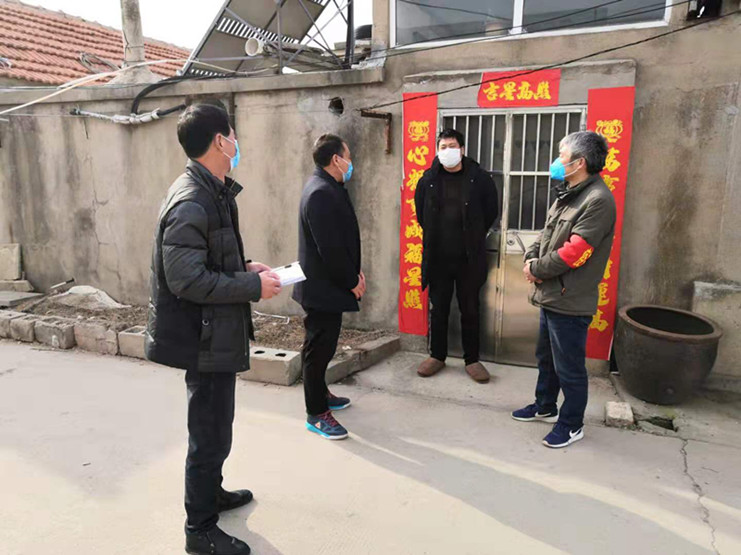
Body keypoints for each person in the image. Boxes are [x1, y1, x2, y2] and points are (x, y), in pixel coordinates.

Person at [145, 102, 282, 555]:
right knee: (208, 433)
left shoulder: (214, 191)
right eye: (233, 135)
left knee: (217, 426)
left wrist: (246, 268)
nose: (237, 142)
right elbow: (185, 278)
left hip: (215, 332)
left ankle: (212, 494)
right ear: (220, 141)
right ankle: (199, 529)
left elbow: (209, 258)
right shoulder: (192, 200)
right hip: (201, 338)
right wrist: (251, 286)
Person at [512, 130, 616, 449]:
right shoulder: (569, 193)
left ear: (579, 162)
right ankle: (545, 405)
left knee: (569, 367)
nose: (557, 161)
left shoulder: (598, 200)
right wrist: (531, 258)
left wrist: (537, 270)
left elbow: (575, 252)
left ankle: (571, 424)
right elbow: (546, 235)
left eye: (561, 154)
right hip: (551, 295)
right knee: (547, 358)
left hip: (570, 299)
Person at [292, 133, 364, 440]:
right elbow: (330, 250)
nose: (350, 162)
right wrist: (352, 282)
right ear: (336, 159)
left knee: (324, 346)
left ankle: (321, 393)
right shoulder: (320, 192)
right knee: (318, 350)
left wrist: (354, 274)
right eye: (348, 156)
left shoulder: (328, 186)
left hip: (327, 286)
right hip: (321, 289)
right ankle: (317, 413)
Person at [414, 129, 499, 383]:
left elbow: (491, 211)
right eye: (443, 147)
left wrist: (473, 234)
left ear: (462, 149)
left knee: (470, 309)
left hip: (468, 259)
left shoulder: (479, 179)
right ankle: (437, 356)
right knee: (438, 309)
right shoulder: (428, 179)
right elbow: (421, 214)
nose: (447, 151)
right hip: (439, 259)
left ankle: (472, 360)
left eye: (452, 146)